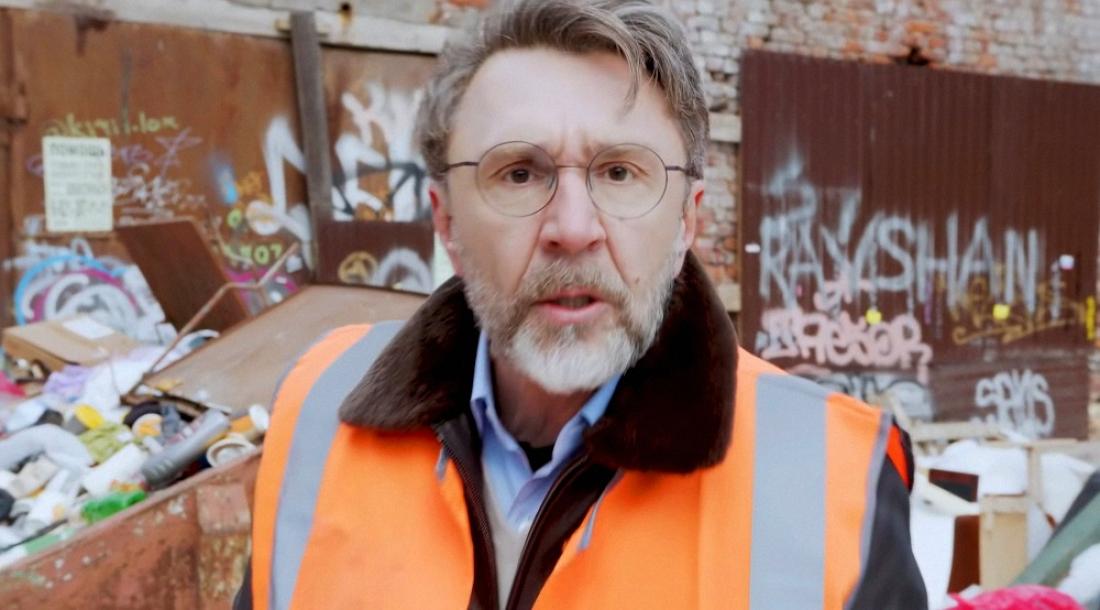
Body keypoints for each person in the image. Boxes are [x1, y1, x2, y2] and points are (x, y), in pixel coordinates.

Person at [235, 1, 928, 608]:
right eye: (519, 173)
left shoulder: (831, 485)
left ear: (687, 220)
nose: (572, 228)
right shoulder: (320, 410)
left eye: (620, 172)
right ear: (445, 221)